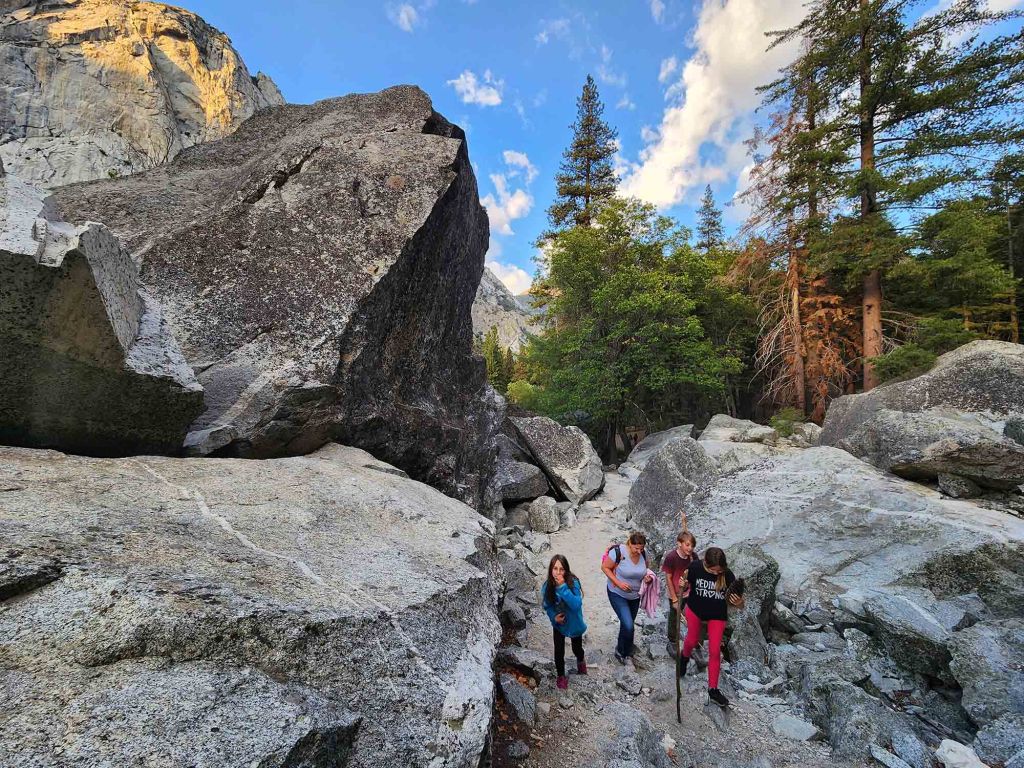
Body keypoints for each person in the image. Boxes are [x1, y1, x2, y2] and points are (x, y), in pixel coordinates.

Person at [678, 546, 744, 707]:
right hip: (695, 609)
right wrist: (682, 584)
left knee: (715, 651)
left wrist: (739, 603)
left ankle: (713, 689)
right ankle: (684, 658)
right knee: (692, 640)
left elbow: (739, 603)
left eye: (718, 571)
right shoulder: (695, 567)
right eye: (712, 570)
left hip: (717, 615)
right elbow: (685, 586)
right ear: (705, 563)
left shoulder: (728, 575)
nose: (716, 573)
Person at [602, 531, 653, 665]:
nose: (639, 551)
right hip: (617, 593)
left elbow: (645, 570)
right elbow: (605, 567)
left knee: (627, 624)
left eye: (641, 548)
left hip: (635, 596)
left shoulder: (644, 554)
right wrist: (619, 583)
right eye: (636, 548)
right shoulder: (618, 552)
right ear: (630, 544)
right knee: (629, 625)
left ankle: (624, 649)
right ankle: (623, 653)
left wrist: (646, 578)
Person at [541, 554, 587, 690]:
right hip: (559, 623)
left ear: (566, 570)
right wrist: (553, 617)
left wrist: (562, 587)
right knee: (559, 650)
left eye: (561, 569)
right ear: (551, 570)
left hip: (574, 623)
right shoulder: (548, 586)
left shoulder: (573, 583)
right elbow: (547, 606)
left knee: (576, 648)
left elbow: (576, 605)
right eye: (555, 569)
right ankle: (561, 675)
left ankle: (581, 660)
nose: (558, 572)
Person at [661, 530, 697, 658]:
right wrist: (674, 599)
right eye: (687, 545)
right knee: (674, 616)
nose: (690, 548)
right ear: (679, 544)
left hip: (689, 592)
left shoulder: (693, 557)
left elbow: (695, 574)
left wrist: (688, 583)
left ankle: (693, 642)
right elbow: (668, 578)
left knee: (692, 616)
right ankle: (672, 641)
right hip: (675, 593)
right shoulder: (671, 557)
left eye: (692, 545)